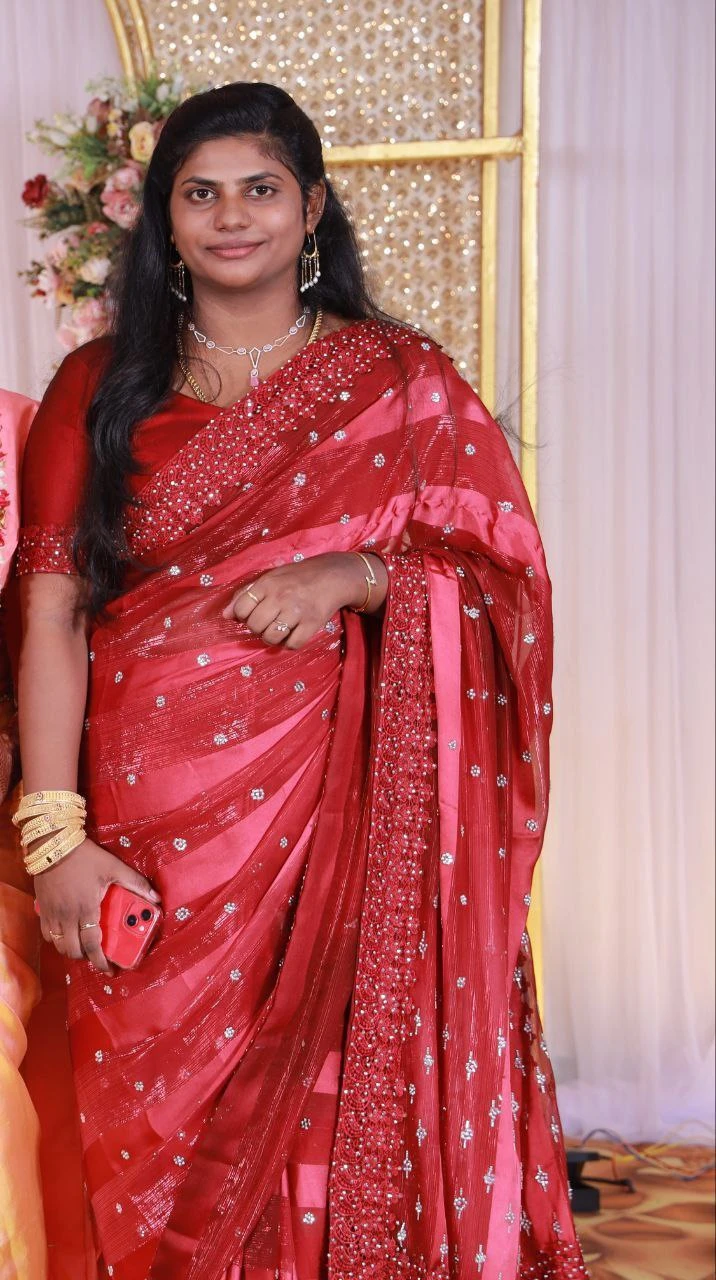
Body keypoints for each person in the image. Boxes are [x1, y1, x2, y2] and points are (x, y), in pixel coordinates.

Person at [15, 82, 589, 1280]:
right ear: (164, 219)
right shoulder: (97, 386)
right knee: (145, 1120)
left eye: (260, 189)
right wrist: (55, 830)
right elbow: (51, 605)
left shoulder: (401, 382)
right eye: (200, 193)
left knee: (330, 1089)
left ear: (311, 207)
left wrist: (361, 573)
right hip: (144, 823)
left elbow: (504, 587)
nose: (231, 216)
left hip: (344, 814)